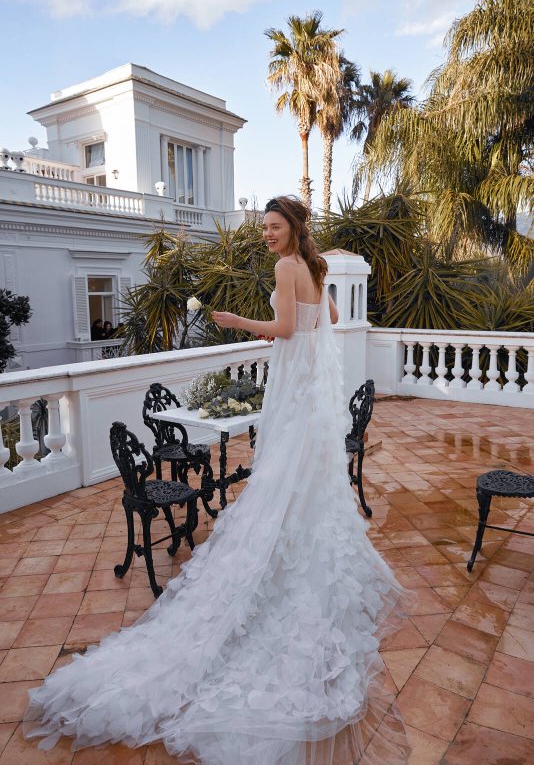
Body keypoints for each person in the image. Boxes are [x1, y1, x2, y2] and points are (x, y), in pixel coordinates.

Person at [24, 196, 410, 764]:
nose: (266, 236)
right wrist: (291, 334)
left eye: (274, 227)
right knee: (298, 490)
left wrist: (239, 324)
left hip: (293, 395)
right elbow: (322, 321)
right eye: (263, 229)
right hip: (310, 402)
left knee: (278, 488)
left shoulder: (286, 267)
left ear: (293, 227)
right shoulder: (317, 265)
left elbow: (283, 327)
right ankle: (292, 561)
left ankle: (270, 569)